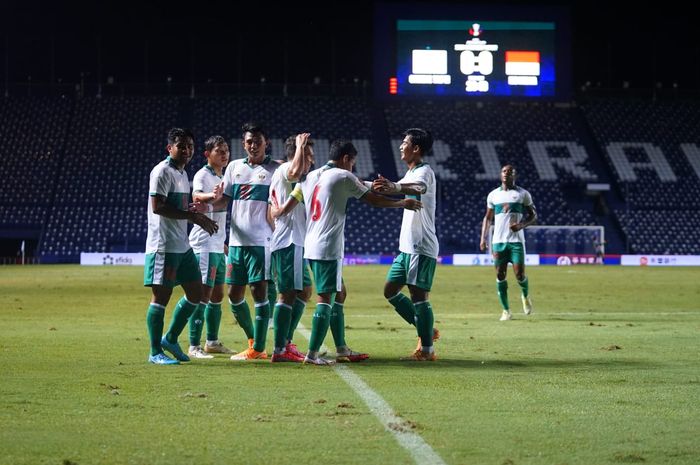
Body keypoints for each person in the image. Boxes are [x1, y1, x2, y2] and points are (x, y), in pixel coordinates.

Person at [299, 139, 422, 365]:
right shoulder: (344, 176)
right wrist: (401, 203)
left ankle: (342, 348)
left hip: (311, 244)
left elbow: (357, 183)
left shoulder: (314, 175)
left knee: (340, 293)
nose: (353, 167)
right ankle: (312, 354)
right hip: (328, 246)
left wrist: (376, 184)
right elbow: (373, 200)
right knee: (325, 297)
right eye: (353, 163)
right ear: (346, 159)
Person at [144, 128, 219, 365]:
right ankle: (155, 351)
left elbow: (178, 205)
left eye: (190, 146)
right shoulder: (161, 171)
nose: (187, 150)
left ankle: (171, 338)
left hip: (181, 245)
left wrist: (191, 210)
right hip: (163, 245)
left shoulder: (182, 173)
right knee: (161, 297)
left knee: (196, 294)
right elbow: (158, 207)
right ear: (170, 148)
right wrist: (192, 217)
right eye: (181, 146)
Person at [373, 128, 440, 361]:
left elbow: (417, 188)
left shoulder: (425, 172)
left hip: (421, 245)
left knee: (419, 297)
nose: (401, 146)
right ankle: (426, 331)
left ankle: (427, 350)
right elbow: (394, 187)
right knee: (390, 291)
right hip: (406, 248)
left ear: (416, 148)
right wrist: (355, 182)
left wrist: (396, 187)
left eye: (405, 143)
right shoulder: (410, 173)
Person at [215, 122, 279, 360]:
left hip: (261, 240)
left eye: (257, 141)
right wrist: (209, 204)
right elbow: (224, 202)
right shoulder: (233, 167)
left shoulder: (275, 169)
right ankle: (254, 342)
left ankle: (259, 348)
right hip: (236, 242)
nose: (253, 145)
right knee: (233, 294)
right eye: (249, 142)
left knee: (259, 291)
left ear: (266, 143)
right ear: (243, 144)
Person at [186, 135, 234, 359]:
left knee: (217, 295)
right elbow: (197, 195)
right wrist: (211, 196)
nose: (224, 154)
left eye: (226, 150)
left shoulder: (222, 175)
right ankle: (194, 345)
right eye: (219, 151)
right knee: (202, 294)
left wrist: (223, 242)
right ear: (207, 154)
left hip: (216, 244)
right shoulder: (203, 175)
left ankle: (212, 341)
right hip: (203, 243)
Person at [268, 133, 314, 362]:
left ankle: (286, 342)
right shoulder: (287, 170)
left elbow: (271, 211)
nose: (312, 161)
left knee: (305, 290)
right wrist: (299, 147)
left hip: (293, 242)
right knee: (287, 294)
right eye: (309, 155)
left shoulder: (284, 176)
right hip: (289, 242)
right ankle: (280, 349)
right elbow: (295, 171)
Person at [479, 164, 537, 321]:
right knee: (500, 274)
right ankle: (506, 311)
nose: (506, 174)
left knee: (519, 274)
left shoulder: (522, 194)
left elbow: (533, 215)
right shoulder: (493, 195)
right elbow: (488, 218)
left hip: (516, 242)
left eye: (510, 172)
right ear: (500, 175)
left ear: (514, 176)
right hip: (498, 242)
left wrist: (521, 225)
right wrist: (483, 238)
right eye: (504, 171)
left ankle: (525, 296)